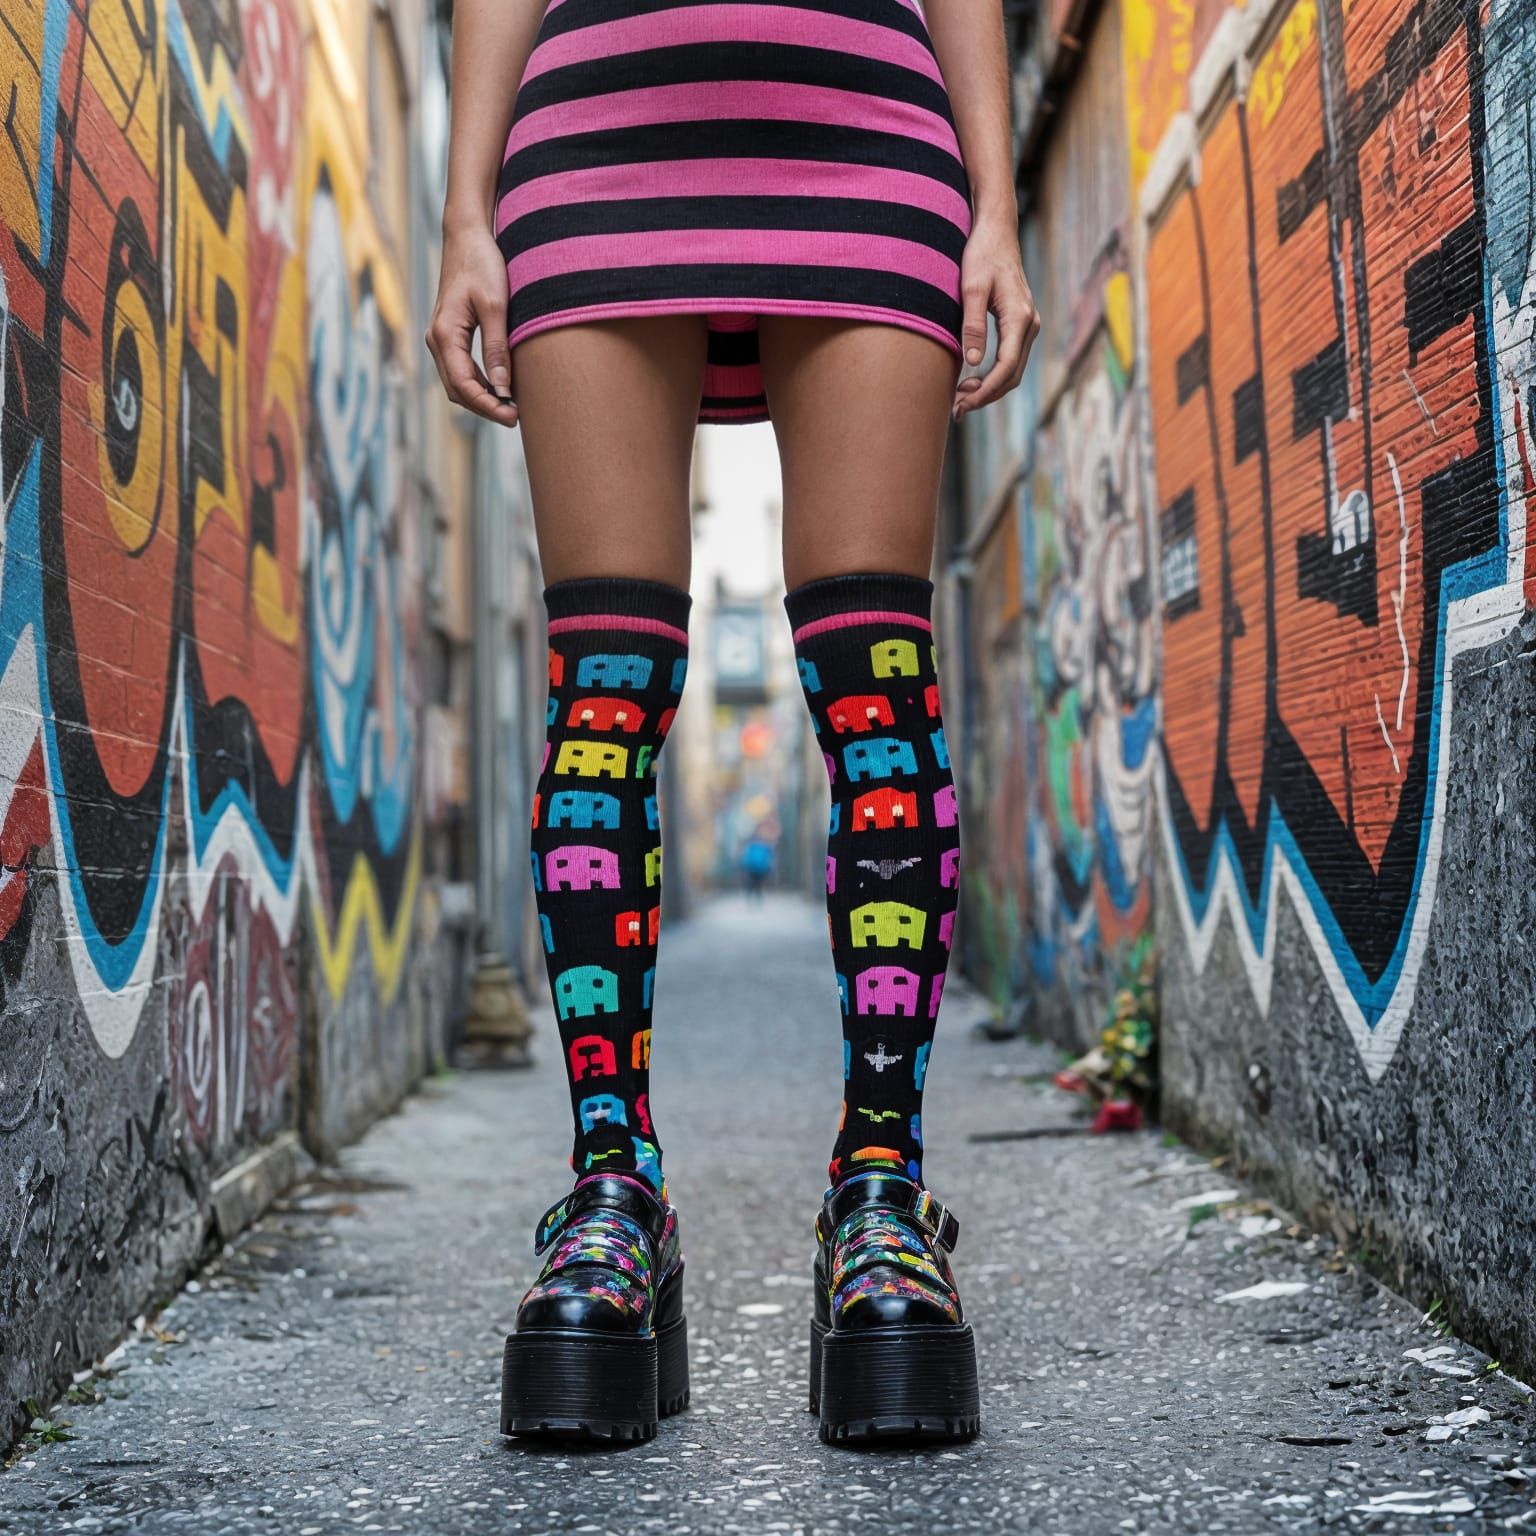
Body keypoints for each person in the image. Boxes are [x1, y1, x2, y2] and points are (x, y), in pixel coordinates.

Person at [428, 0, 1038, 1448]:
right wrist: (464, 214)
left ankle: (881, 1197)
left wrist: (999, 202)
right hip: (595, 127)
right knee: (606, 694)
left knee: (879, 687)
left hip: (868, 124)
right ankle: (611, 1198)